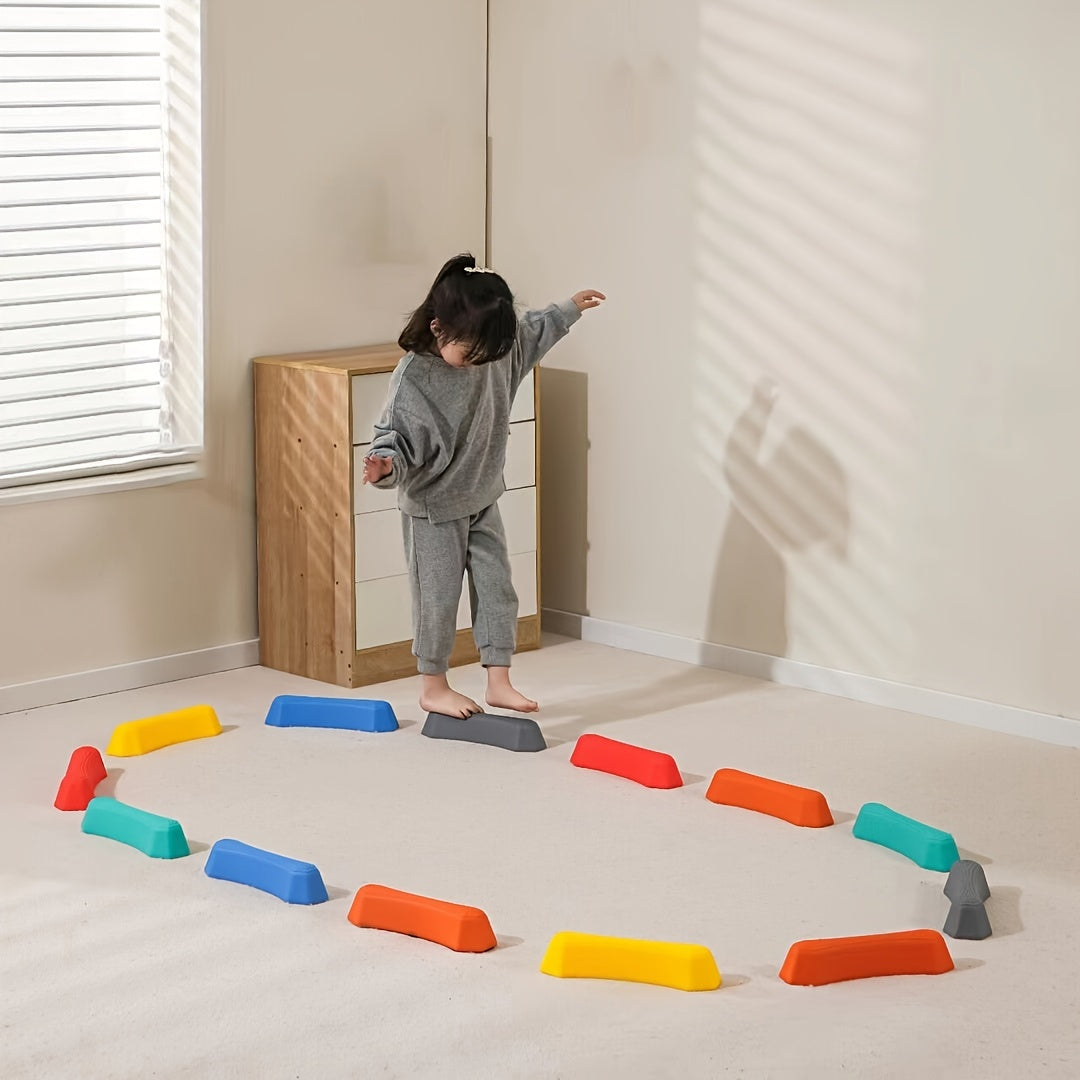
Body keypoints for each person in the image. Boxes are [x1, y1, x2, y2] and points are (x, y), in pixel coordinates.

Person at [362, 253, 604, 718]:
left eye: (490, 353)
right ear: (438, 329)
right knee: (437, 599)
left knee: (498, 589)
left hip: (482, 495)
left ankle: (499, 681)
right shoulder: (414, 379)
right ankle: (433, 685)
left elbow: (533, 331)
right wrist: (384, 469)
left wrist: (570, 308)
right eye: (470, 353)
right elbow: (393, 440)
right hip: (433, 508)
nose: (481, 363)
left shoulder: (495, 353)